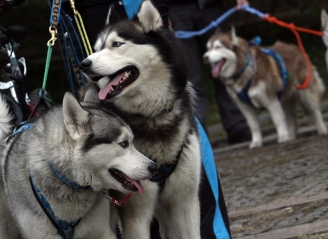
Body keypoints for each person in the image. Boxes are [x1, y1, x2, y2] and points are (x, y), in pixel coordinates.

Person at [51, 0, 233, 238]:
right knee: (133, 213)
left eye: (116, 45)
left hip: (135, 11)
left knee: (190, 201)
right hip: (80, 10)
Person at [168, 0, 252, 145]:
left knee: (227, 71)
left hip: (212, 7)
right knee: (190, 80)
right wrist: (161, 12)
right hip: (177, 11)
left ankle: (239, 128)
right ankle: (199, 137)